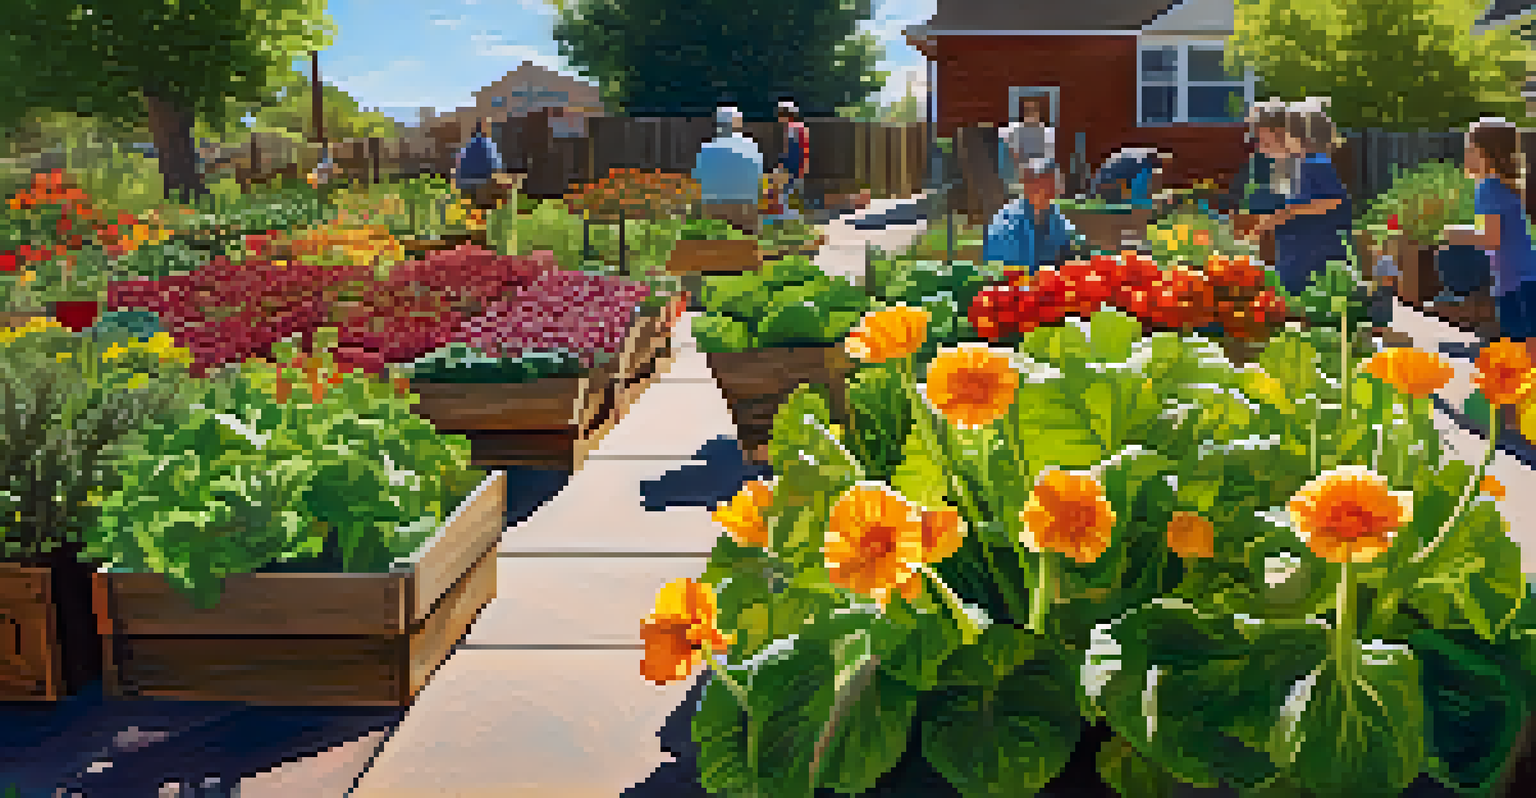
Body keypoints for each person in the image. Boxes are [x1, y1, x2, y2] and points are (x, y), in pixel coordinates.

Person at [1442, 117, 1536, 432]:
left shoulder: (1489, 188)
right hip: (1521, 277)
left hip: (1516, 282)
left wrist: (1456, 233)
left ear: (1487, 153)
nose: (1466, 155)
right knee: (1525, 348)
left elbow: (1491, 238)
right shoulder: (1504, 186)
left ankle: (1517, 419)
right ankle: (1520, 416)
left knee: (1522, 351)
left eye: (1470, 148)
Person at [1242, 99, 1353, 297]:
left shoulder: (1314, 162)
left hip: (1316, 260)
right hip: (1295, 258)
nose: (1260, 147)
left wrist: (1288, 212)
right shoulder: (1296, 166)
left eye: (1265, 141)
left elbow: (1334, 199)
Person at [982, 157, 1080, 274]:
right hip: (1013, 286)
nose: (1049, 189)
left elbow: (1069, 246)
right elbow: (1002, 270)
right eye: (1036, 181)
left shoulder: (1055, 217)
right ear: (1026, 184)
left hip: (1047, 285)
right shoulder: (1006, 222)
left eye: (1052, 182)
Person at [692, 105, 764, 236]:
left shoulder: (706, 148)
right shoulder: (751, 146)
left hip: (714, 209)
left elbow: (697, 178)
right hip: (746, 210)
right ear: (738, 124)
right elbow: (759, 177)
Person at [1087, 147, 1170, 208]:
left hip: (1099, 186)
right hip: (1106, 187)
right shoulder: (1143, 164)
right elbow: (1135, 191)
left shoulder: (1140, 155)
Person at [455, 117, 504, 204]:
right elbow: (497, 166)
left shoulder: (466, 145)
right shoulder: (489, 144)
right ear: (485, 130)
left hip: (464, 184)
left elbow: (459, 165)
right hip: (482, 184)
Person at [775, 100, 811, 213]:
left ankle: (786, 215)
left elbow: (788, 150)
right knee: (793, 194)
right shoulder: (801, 128)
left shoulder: (790, 129)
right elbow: (805, 150)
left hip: (791, 167)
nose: (778, 117)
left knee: (786, 194)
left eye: (780, 114)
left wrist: (781, 165)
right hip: (798, 167)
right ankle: (793, 215)